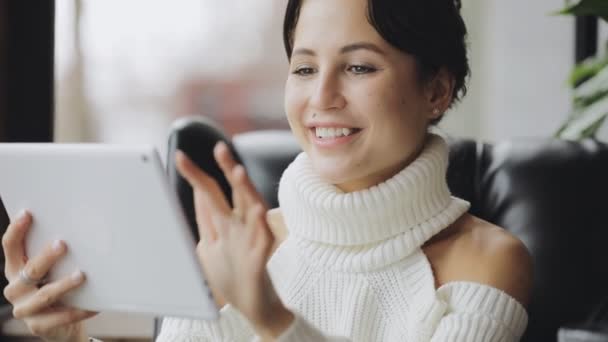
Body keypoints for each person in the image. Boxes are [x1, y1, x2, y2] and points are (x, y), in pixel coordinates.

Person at [2, 0, 533, 340]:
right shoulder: (238, 249)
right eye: (304, 68)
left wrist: (273, 319)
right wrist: (71, 339)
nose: (321, 97)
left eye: (358, 67)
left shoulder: (487, 260)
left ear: (436, 90)